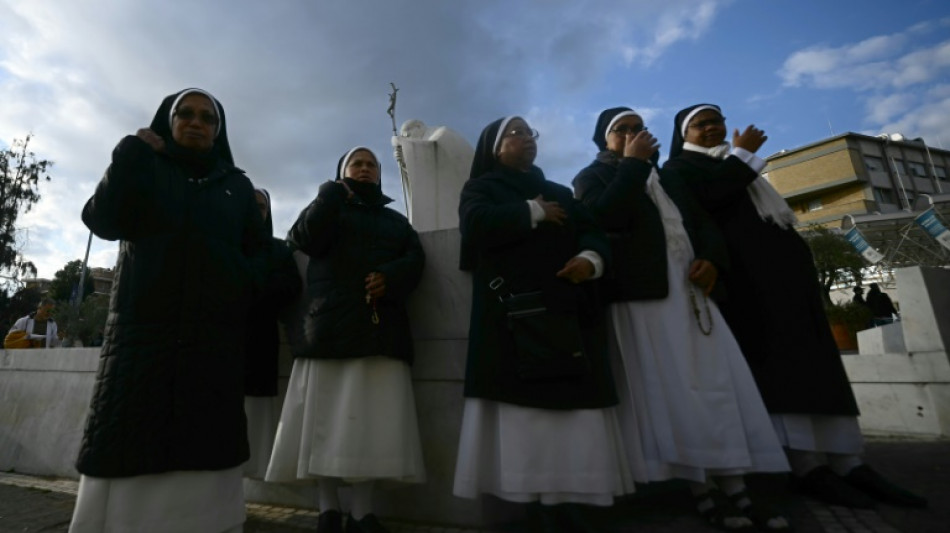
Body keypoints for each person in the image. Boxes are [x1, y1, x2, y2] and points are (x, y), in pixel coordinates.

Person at [663, 103, 927, 509]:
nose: (713, 128)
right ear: (684, 134)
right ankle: (805, 466)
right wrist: (743, 155)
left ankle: (848, 460)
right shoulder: (680, 169)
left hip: (790, 282)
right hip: (751, 285)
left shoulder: (731, 165)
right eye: (701, 124)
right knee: (784, 369)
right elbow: (709, 200)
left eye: (717, 121)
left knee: (820, 365)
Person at [574, 107, 790, 531]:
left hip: (691, 291)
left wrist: (711, 258)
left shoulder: (668, 176)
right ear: (604, 139)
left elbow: (701, 222)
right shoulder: (592, 177)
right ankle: (701, 488)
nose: (632, 134)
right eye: (621, 130)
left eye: (638, 128)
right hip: (645, 298)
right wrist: (633, 165)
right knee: (675, 392)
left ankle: (737, 487)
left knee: (716, 385)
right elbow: (604, 217)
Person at [71, 88, 266, 533]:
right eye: (186, 114)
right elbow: (102, 220)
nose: (196, 122)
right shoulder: (144, 166)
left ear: (218, 131)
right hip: (140, 348)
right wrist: (131, 153)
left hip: (211, 348)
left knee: (205, 466)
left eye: (207, 118)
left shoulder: (237, 187)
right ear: (169, 121)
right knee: (131, 453)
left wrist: (238, 281)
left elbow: (260, 256)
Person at [453, 116, 632, 533]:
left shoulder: (561, 192)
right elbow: (475, 225)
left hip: (566, 314)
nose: (527, 138)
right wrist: (531, 211)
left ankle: (566, 500)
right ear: (495, 147)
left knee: (571, 419)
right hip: (512, 321)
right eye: (515, 133)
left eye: (529, 132)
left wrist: (590, 259)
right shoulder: (480, 188)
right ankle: (535, 505)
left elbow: (592, 232)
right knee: (527, 422)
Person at [265, 147, 426, 533]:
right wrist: (330, 194)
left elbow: (415, 259)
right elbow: (303, 238)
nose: (365, 169)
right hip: (328, 333)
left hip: (378, 334)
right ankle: (328, 510)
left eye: (371, 164)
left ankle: (361, 513)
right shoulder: (327, 207)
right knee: (322, 430)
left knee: (369, 429)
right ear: (342, 171)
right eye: (357, 163)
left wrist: (391, 277)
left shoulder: (396, 221)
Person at [243, 188, 301, 479]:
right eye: (250, 205)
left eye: (262, 207)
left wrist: (255, 288)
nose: (257, 212)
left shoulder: (279, 251)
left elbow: (291, 287)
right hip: (218, 343)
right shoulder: (222, 243)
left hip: (259, 342)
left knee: (253, 420)